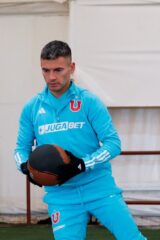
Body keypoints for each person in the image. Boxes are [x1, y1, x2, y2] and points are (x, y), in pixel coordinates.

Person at [14, 40, 147, 240]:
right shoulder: (32, 108)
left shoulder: (89, 102)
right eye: (46, 70)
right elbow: (20, 149)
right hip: (61, 196)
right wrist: (26, 167)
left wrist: (82, 164)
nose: (51, 77)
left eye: (58, 70)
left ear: (72, 67)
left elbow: (113, 143)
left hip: (99, 188)